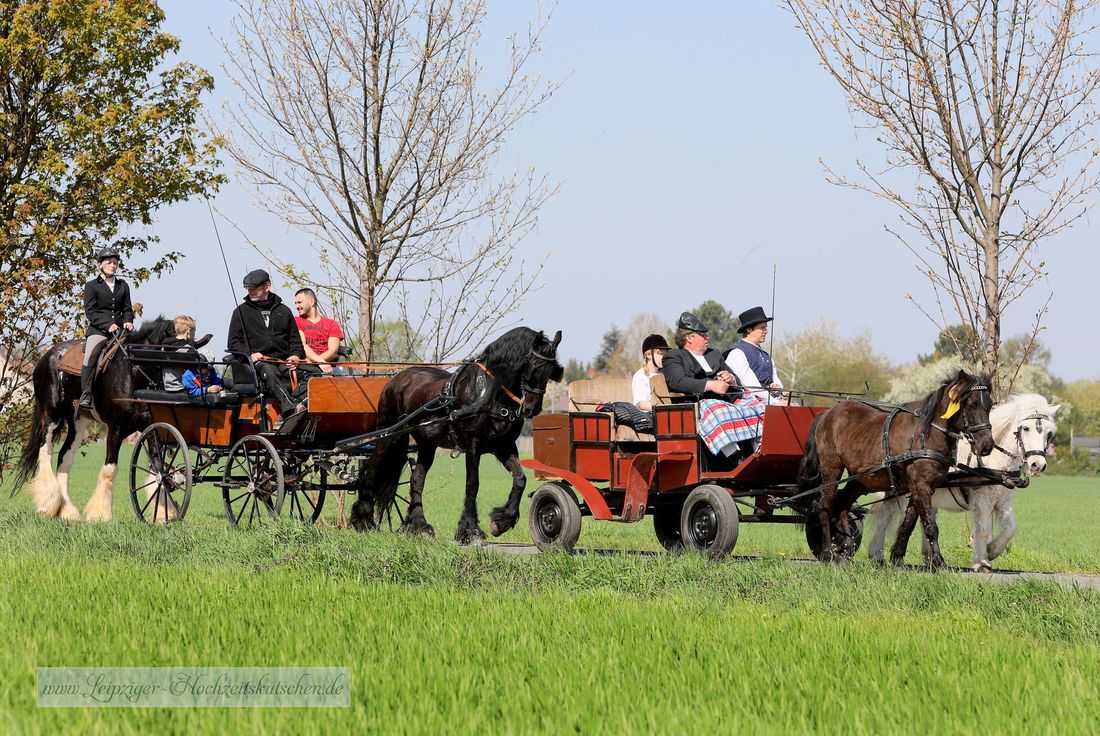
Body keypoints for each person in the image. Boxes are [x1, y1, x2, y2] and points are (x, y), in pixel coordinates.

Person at [662, 311, 767, 460]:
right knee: (717, 411)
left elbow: (735, 378)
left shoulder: (714, 354)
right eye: (703, 335)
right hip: (697, 403)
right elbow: (677, 381)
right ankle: (734, 457)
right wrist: (710, 385)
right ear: (689, 338)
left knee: (761, 405)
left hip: (727, 401)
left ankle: (760, 451)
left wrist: (730, 378)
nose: (708, 338)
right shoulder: (674, 356)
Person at [227, 269, 317, 416]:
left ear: (266, 287)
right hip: (258, 364)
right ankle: (290, 411)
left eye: (254, 288)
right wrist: (250, 354)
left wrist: (295, 356)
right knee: (269, 370)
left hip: (283, 362)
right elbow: (233, 343)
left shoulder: (284, 311)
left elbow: (295, 340)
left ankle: (297, 402)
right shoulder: (240, 312)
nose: (250, 291)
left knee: (315, 374)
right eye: (248, 288)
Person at [79, 247, 134, 410]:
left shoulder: (123, 286)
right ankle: (86, 394)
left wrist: (128, 321)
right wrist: (107, 324)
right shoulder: (91, 286)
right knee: (90, 355)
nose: (113, 265)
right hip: (99, 331)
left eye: (115, 263)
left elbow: (127, 309)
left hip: (120, 331)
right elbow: (91, 312)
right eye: (109, 262)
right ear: (101, 265)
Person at [725, 306, 788, 406]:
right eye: (762, 328)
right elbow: (752, 387)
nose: (766, 331)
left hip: (770, 399)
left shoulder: (766, 356)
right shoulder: (737, 353)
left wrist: (776, 388)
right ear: (749, 329)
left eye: (766, 327)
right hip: (748, 401)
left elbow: (775, 379)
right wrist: (776, 402)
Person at [294, 288, 344, 374]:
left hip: (328, 368)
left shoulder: (332, 324)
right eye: (295, 303)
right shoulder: (296, 321)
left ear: (312, 302)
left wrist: (318, 362)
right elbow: (302, 345)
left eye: (299, 302)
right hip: (305, 368)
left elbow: (333, 351)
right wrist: (319, 362)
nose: (297, 306)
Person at [162, 315, 199, 393]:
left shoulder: (164, 346)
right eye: (194, 330)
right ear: (189, 330)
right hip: (182, 388)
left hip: (167, 387)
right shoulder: (188, 350)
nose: (195, 333)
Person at [632, 333, 669, 410]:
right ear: (648, 355)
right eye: (661, 354)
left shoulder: (666, 374)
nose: (664, 357)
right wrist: (665, 410)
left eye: (665, 354)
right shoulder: (640, 376)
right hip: (647, 416)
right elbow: (643, 404)